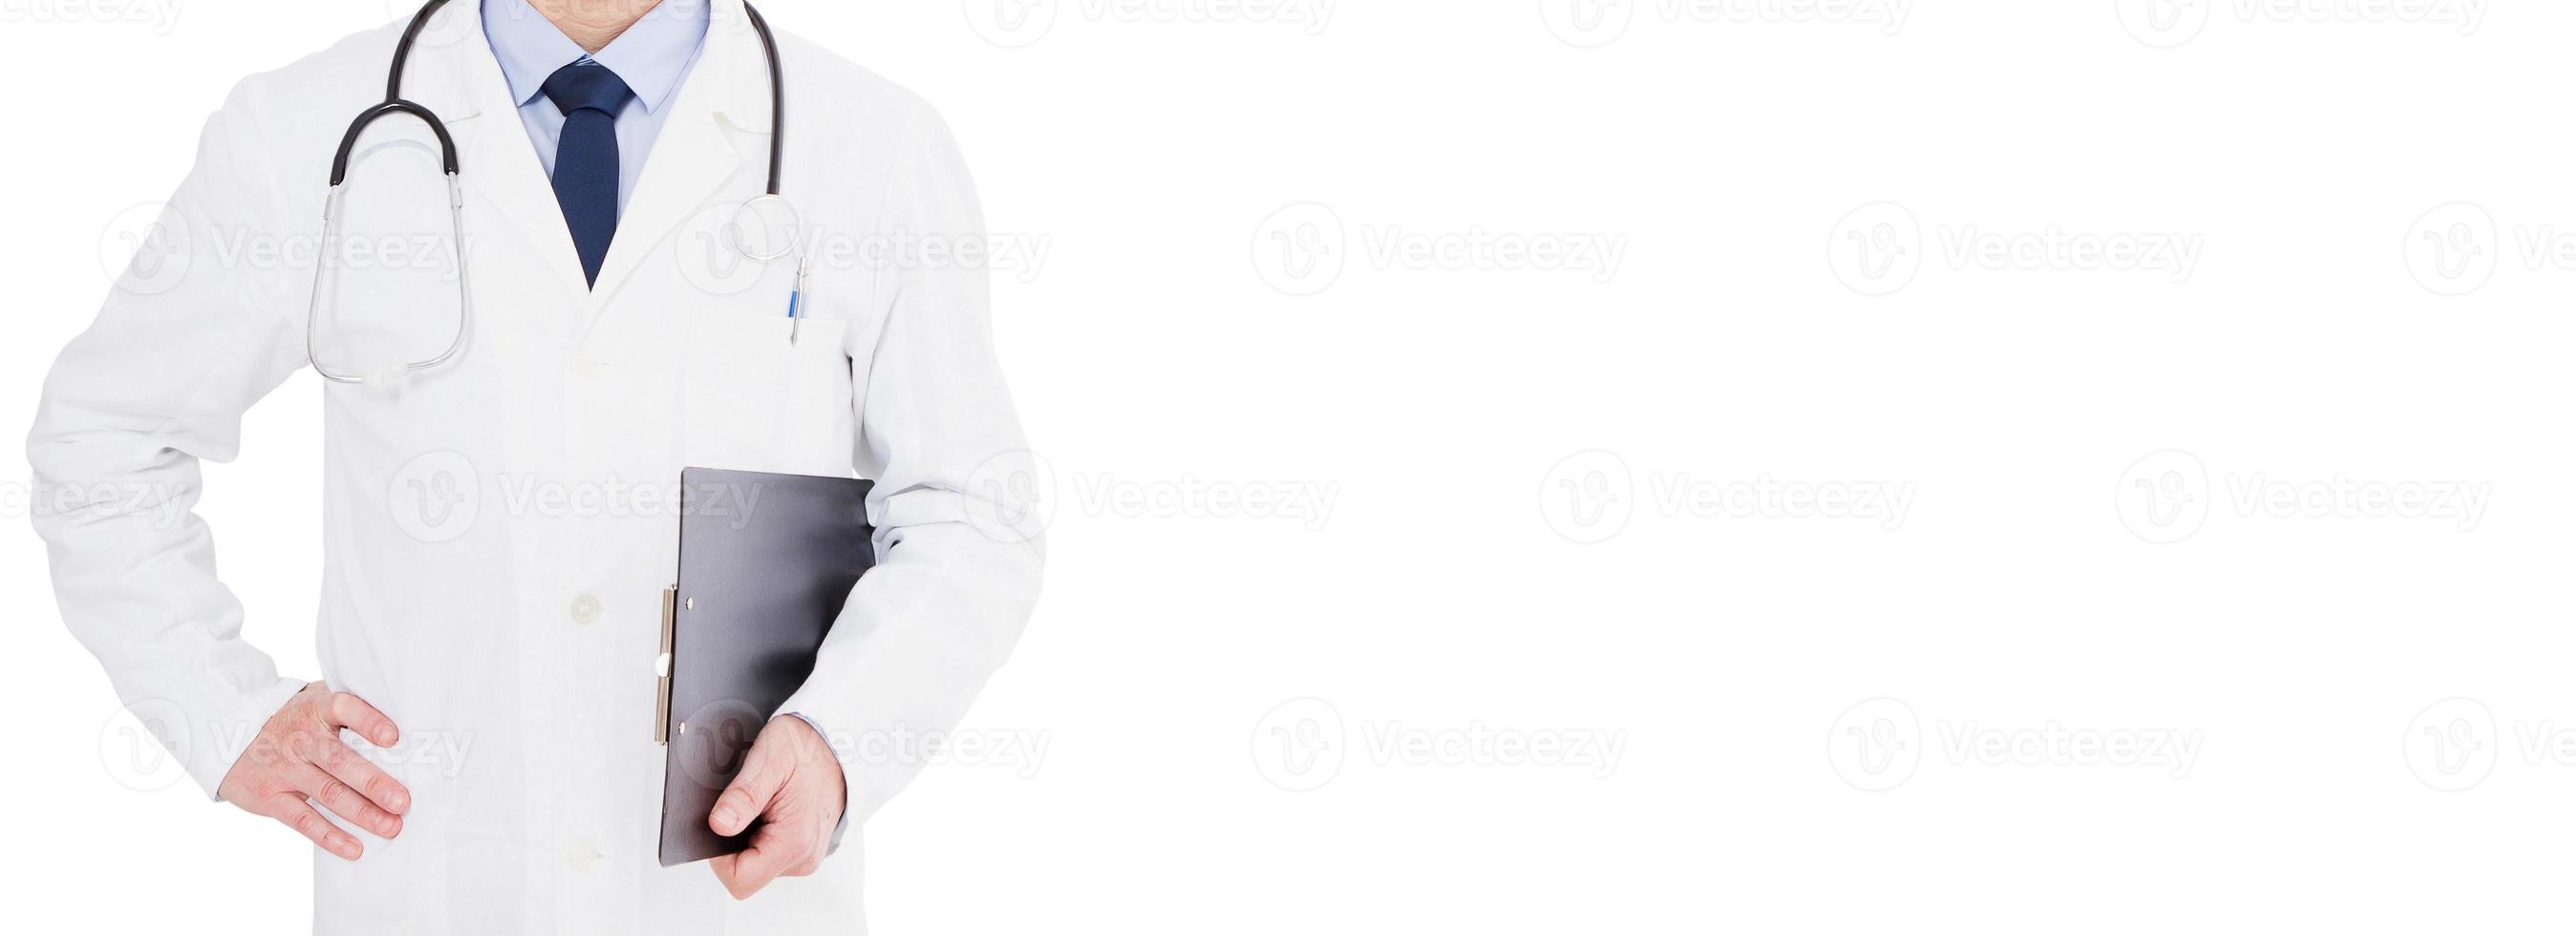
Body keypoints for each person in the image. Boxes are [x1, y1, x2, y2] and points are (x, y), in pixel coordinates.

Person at [27, 0, 1043, 930]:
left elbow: (971, 510)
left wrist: (841, 739)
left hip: (730, 897)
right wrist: (222, 711)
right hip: (436, 883)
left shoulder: (872, 143)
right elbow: (103, 443)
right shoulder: (301, 128)